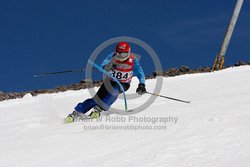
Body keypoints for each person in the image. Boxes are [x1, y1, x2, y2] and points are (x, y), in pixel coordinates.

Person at [65, 42, 146, 123]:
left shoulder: (133, 60)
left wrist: (141, 84)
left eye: (124, 55)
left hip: (123, 84)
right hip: (110, 81)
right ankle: (77, 112)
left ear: (128, 53)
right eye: (119, 54)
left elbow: (140, 73)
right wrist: (108, 66)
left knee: (114, 91)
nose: (121, 57)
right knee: (95, 100)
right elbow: (103, 64)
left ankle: (99, 109)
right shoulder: (113, 56)